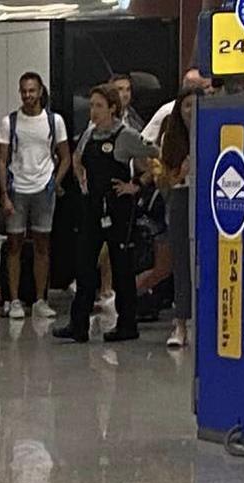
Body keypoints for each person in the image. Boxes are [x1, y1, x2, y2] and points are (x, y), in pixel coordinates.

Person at [54, 85, 157, 343]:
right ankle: (79, 324)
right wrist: (81, 179)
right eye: (91, 105)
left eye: (99, 106)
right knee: (85, 264)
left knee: (121, 267)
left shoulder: (126, 135)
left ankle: (127, 324)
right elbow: (77, 157)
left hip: (118, 208)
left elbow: (155, 159)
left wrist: (137, 185)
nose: (93, 111)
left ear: (112, 108)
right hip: (92, 207)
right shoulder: (89, 134)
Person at [0, 72, 70, 321]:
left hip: (43, 190)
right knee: (14, 245)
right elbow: (2, 160)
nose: (28, 96)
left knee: (42, 245)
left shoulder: (54, 121)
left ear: (40, 92)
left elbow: (66, 156)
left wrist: (54, 182)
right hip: (18, 189)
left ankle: (41, 298)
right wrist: (4, 194)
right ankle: (14, 299)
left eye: (32, 91)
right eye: (24, 91)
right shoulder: (10, 122)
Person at [155, 88, 199, 348]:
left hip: (207, 199)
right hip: (181, 197)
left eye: (196, 106)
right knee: (181, 262)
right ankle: (180, 323)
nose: (191, 112)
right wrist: (181, 173)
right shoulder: (170, 139)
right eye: (187, 107)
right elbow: (163, 182)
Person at [142, 68, 214, 144]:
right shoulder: (167, 111)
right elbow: (144, 144)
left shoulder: (212, 110)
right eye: (206, 87)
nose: (212, 90)